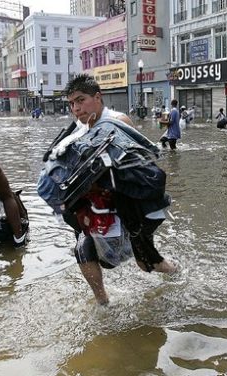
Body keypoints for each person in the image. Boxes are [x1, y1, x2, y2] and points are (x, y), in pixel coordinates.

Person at [55, 73, 176, 303]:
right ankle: (103, 304)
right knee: (83, 250)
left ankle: (173, 271)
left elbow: (141, 167)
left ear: (97, 97)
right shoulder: (77, 131)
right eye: (71, 103)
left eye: (81, 100)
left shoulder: (118, 121)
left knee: (145, 262)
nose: (76, 108)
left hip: (129, 207)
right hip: (97, 209)